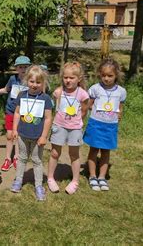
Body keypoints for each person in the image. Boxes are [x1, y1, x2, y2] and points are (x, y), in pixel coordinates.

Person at [10, 65, 53, 201]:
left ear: (43, 83)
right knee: (22, 158)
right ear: (27, 81)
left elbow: (47, 118)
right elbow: (17, 113)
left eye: (38, 82)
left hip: (37, 137)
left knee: (37, 160)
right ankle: (18, 180)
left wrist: (44, 136)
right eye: (32, 81)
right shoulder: (21, 95)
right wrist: (15, 129)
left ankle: (39, 186)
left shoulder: (45, 98)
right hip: (22, 135)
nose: (34, 85)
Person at [83, 58, 126, 192]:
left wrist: (119, 115)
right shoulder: (95, 89)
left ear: (116, 75)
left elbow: (120, 106)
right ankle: (92, 176)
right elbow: (89, 105)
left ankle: (102, 177)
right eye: (104, 75)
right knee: (94, 150)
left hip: (110, 126)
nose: (106, 78)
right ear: (100, 75)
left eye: (110, 75)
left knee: (106, 151)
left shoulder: (121, 91)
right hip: (96, 124)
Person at [47, 62, 89, 194]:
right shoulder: (58, 92)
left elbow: (84, 110)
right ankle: (50, 178)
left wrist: (76, 122)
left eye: (72, 78)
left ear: (79, 78)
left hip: (75, 129)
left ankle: (75, 180)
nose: (68, 80)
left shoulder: (82, 94)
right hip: (59, 126)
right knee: (54, 153)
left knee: (74, 154)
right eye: (65, 77)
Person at [0, 55, 31, 172]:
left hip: (23, 113)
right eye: (20, 67)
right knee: (10, 135)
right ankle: (7, 159)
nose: (23, 69)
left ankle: (16, 158)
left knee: (18, 136)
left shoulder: (31, 81)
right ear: (16, 68)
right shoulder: (12, 79)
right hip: (10, 111)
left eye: (25, 67)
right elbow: (6, 90)